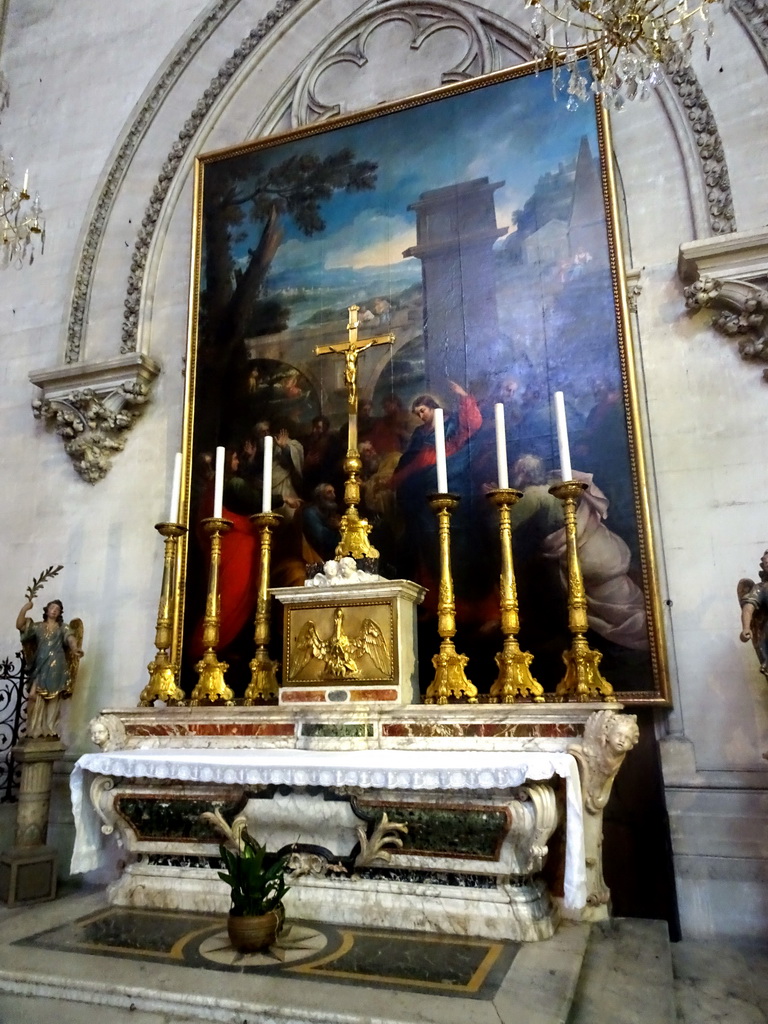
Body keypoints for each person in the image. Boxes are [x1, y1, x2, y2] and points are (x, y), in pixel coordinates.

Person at [16, 598, 83, 738]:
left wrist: (75, 648)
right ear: (46, 610)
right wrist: (24, 609)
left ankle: (50, 728)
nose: (54, 610)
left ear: (60, 613)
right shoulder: (38, 627)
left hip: (57, 664)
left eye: (57, 609)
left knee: (54, 697)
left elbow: (70, 637)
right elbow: (20, 626)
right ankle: (34, 728)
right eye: (52, 607)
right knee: (34, 696)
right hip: (41, 663)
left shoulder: (63, 627)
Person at [739, 550, 768, 677]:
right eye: (766, 563)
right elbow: (748, 608)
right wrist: (746, 627)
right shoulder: (761, 588)